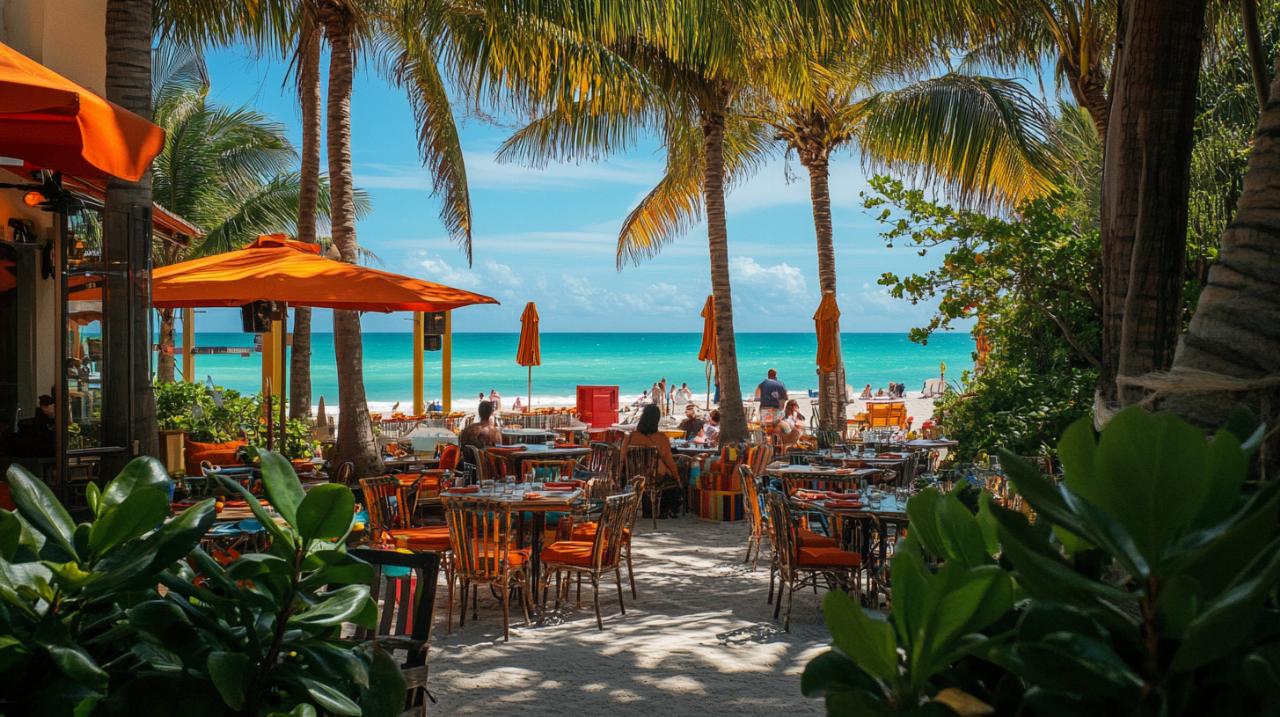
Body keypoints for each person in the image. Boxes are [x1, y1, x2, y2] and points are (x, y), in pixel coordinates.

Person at [621, 404, 680, 483]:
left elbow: (622, 459)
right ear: (657, 420)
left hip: (634, 477)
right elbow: (669, 462)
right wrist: (677, 478)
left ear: (642, 418)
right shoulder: (662, 438)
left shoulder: (630, 437)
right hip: (655, 477)